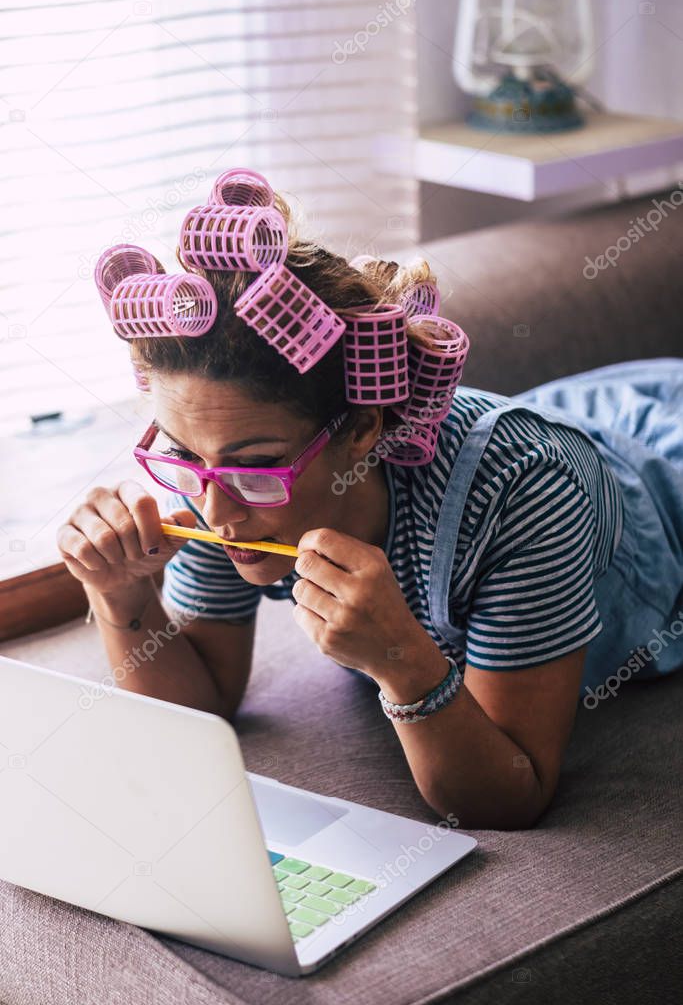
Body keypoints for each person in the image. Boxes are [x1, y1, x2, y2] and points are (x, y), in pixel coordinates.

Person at [57, 184, 683, 830]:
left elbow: (504, 797)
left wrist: (401, 661)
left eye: (259, 465)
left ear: (362, 426)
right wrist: (120, 597)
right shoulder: (213, 473)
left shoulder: (526, 498)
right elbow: (202, 704)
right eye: (183, 455)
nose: (216, 512)